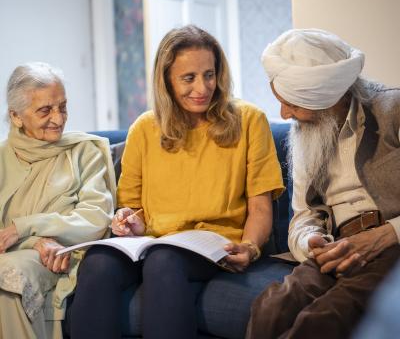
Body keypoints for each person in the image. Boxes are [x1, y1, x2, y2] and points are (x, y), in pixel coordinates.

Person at [68, 24, 285, 339]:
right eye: (188, 78)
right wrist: (130, 221)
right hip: (152, 243)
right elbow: (133, 208)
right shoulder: (144, 128)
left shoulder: (250, 120)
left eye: (209, 75)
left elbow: (261, 206)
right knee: (99, 262)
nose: (202, 88)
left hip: (215, 244)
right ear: (166, 80)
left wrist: (250, 247)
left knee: (164, 260)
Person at [246, 28, 400, 339]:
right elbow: (303, 216)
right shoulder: (304, 134)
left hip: (390, 248)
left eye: (292, 104)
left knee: (321, 321)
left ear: (326, 96)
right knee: (271, 309)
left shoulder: (393, 111)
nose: (284, 113)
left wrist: (387, 234)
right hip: (335, 246)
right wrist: (311, 242)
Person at [0, 62, 115, 339]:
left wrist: (25, 227)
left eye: (62, 107)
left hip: (63, 260)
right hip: (26, 253)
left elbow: (96, 218)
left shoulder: (85, 152)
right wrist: (33, 241)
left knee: (8, 277)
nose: (59, 118)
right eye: (45, 110)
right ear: (16, 117)